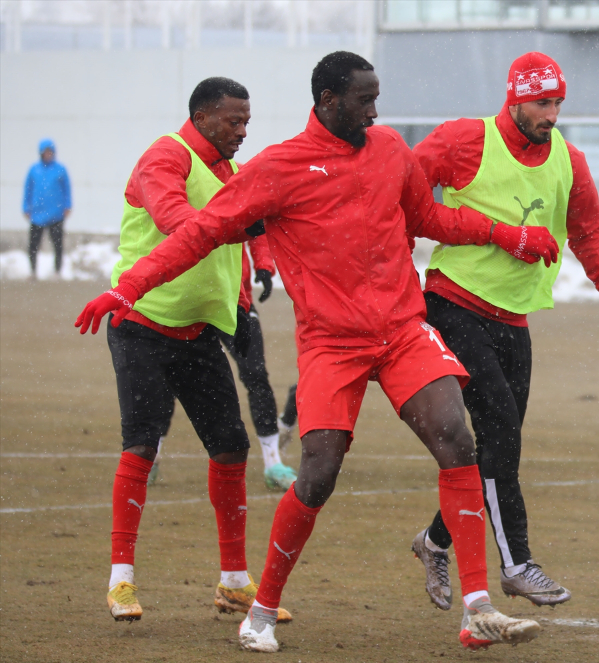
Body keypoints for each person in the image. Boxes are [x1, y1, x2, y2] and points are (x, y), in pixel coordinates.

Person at [76, 51, 562, 653]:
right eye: (365, 99)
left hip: (403, 329)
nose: (376, 110)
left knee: (456, 437)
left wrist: (508, 233)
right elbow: (198, 233)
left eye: (376, 96)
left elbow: (430, 216)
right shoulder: (278, 167)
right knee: (319, 471)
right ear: (328, 100)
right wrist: (126, 288)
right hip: (332, 344)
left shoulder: (389, 151)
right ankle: (259, 610)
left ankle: (477, 607)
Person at [408, 52, 599, 612]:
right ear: (515, 98)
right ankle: (517, 565)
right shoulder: (463, 140)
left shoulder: (569, 159)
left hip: (513, 320)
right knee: (500, 431)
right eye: (543, 102)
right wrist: (488, 236)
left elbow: (587, 234)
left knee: (497, 444)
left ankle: (434, 541)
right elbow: (405, 197)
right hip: (453, 303)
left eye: (559, 102)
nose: (553, 114)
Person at [83, 76, 289, 624]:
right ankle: (120, 581)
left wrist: (262, 257)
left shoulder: (231, 169)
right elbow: (182, 224)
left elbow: (252, 218)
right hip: (141, 322)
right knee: (142, 445)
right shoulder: (163, 158)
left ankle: (233, 583)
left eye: (248, 121)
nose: (243, 131)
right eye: (233, 121)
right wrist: (245, 224)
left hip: (199, 330)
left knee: (229, 448)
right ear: (201, 117)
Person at [148, 237, 298, 492]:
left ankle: (273, 463)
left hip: (235, 299)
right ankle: (152, 456)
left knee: (256, 374)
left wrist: (264, 264)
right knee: (169, 376)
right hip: (189, 298)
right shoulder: (181, 198)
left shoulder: (239, 195)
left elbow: (256, 227)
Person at [23, 138, 71, 279]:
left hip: (56, 213)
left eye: (50, 152)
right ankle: (33, 271)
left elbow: (66, 189)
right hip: (37, 213)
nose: (48, 154)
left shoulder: (60, 169)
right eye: (45, 152)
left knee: (57, 244)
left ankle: (57, 271)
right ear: (41, 153)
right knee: (33, 244)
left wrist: (67, 206)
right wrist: (26, 207)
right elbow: (28, 189)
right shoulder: (34, 170)